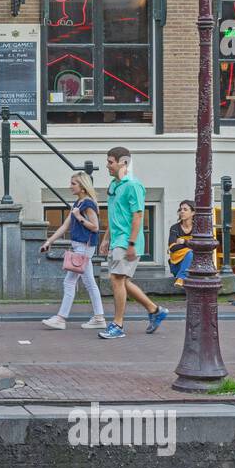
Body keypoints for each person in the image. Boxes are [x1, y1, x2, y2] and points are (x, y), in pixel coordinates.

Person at [97, 146, 168, 340]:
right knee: (122, 281)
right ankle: (155, 310)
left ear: (123, 162)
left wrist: (131, 243)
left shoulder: (133, 185)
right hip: (117, 240)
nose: (107, 165)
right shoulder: (114, 186)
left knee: (116, 279)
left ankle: (118, 325)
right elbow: (114, 215)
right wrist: (105, 238)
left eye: (110, 161)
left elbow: (138, 216)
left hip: (127, 240)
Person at [39, 172, 106, 330]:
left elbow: (96, 227)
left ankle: (61, 318)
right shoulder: (78, 203)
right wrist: (49, 241)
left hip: (84, 247)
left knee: (70, 282)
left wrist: (80, 217)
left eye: (73, 183)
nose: (70, 186)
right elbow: (65, 226)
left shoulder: (87, 204)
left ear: (82, 186)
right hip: (79, 246)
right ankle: (99, 318)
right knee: (89, 283)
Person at [167, 200, 195, 288]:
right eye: (180, 209)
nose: (182, 211)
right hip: (176, 265)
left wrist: (184, 241)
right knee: (191, 252)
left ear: (193, 212)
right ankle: (182, 277)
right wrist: (190, 245)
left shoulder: (198, 228)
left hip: (193, 267)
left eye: (185, 209)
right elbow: (172, 248)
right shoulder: (174, 228)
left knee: (191, 253)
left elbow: (200, 245)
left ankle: (182, 278)